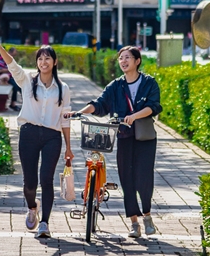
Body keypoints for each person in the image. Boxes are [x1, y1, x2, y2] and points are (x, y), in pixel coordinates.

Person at [65, 46, 161, 238]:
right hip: (124, 137)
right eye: (121, 59)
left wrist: (134, 116)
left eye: (127, 58)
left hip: (145, 138)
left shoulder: (149, 82)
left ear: (137, 61)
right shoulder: (116, 86)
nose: (123, 61)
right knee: (127, 179)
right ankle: (134, 223)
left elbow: (154, 106)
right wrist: (78, 112)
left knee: (143, 178)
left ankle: (148, 216)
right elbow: (100, 104)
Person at [0, 33, 72, 239]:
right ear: (37, 62)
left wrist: (69, 147)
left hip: (53, 136)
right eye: (40, 58)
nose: (44, 62)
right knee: (30, 183)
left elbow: (65, 119)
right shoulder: (27, 81)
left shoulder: (64, 89)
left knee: (47, 179)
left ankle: (44, 223)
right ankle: (32, 207)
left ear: (54, 62)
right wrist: (0, 48)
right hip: (29, 133)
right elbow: (13, 66)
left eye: (47, 58)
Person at [0, 47, 23, 111]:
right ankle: (12, 104)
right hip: (5, 77)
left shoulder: (11, 60)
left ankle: (25, 104)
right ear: (11, 52)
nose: (15, 54)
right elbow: (0, 70)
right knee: (15, 86)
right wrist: (10, 70)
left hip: (12, 77)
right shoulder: (1, 58)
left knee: (21, 86)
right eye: (14, 53)